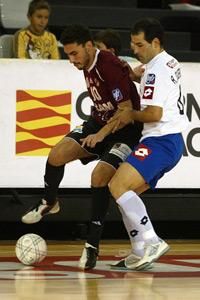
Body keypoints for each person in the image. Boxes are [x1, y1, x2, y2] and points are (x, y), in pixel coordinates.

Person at [21, 24, 143, 270]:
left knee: (99, 177)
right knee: (56, 154)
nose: (71, 60)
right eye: (67, 54)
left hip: (125, 132)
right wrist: (96, 129)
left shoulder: (108, 64)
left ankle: (92, 245)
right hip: (97, 122)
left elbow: (126, 110)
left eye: (74, 53)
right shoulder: (87, 63)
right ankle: (49, 201)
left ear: (89, 46)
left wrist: (100, 134)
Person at [107, 17, 189, 271]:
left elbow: (153, 114)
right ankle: (139, 251)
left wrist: (129, 114)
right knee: (124, 194)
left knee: (118, 185)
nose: (134, 49)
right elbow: (158, 85)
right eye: (132, 44)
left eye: (139, 45)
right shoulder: (168, 61)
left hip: (160, 140)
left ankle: (152, 241)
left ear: (155, 42)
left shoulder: (155, 70)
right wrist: (134, 76)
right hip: (171, 141)